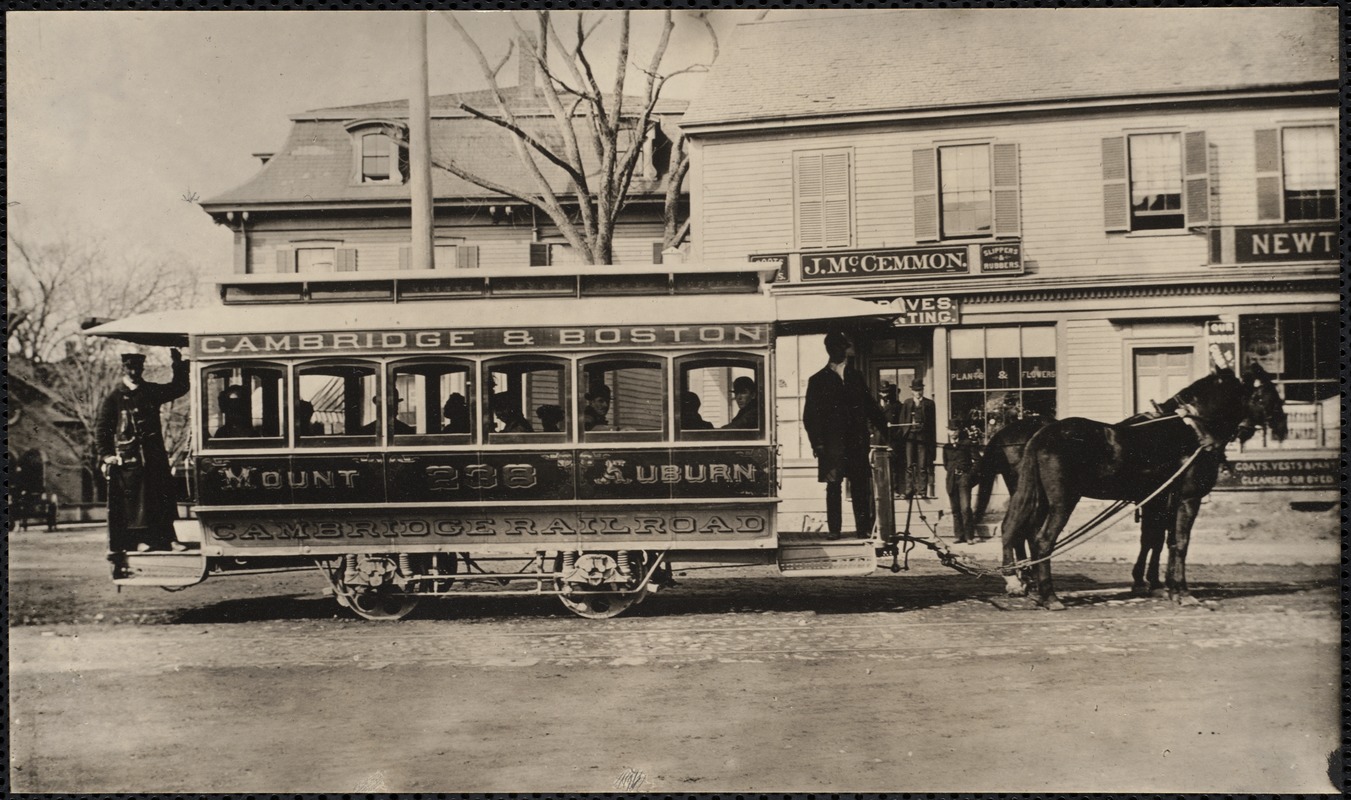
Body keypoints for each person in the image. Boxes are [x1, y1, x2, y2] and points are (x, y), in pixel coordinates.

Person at [96, 349, 190, 552]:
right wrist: (107, 455)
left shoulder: (150, 391)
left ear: (142, 368)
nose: (134, 371)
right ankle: (140, 541)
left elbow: (179, 387)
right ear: (123, 368)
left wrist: (178, 364)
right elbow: (103, 429)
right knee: (137, 504)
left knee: (161, 497)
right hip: (130, 461)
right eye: (130, 367)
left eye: (137, 367)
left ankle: (169, 539)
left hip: (154, 456)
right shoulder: (114, 398)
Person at [802, 331, 887, 540]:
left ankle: (863, 529)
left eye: (844, 347)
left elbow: (871, 407)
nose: (844, 351)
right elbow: (810, 416)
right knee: (833, 487)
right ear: (830, 349)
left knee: (860, 487)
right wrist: (817, 444)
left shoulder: (855, 377)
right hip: (831, 446)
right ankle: (834, 530)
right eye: (839, 347)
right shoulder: (818, 380)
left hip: (856, 444)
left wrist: (887, 431)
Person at [899, 377, 937, 498]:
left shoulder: (929, 403)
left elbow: (932, 424)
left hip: (923, 436)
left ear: (923, 390)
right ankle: (909, 490)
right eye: (916, 390)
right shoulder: (907, 403)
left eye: (920, 389)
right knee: (909, 464)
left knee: (922, 464)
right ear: (912, 391)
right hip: (910, 436)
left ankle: (922, 491)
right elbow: (902, 420)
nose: (918, 392)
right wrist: (904, 433)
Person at [943, 419, 979, 543]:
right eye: (950, 430)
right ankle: (959, 536)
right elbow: (945, 464)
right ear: (947, 432)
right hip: (951, 480)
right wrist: (952, 472)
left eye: (955, 430)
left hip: (964, 479)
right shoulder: (946, 447)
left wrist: (968, 475)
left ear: (959, 431)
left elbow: (977, 461)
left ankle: (969, 537)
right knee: (955, 509)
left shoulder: (967, 444)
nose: (953, 432)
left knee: (965, 508)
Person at [878, 382, 906, 496]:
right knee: (879, 465)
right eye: (882, 392)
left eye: (886, 392)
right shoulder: (874, 405)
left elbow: (901, 423)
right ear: (879, 392)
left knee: (893, 465)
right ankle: (881, 489)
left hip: (892, 439)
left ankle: (894, 490)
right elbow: (869, 421)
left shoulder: (897, 406)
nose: (884, 395)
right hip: (879, 439)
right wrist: (872, 432)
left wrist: (896, 435)